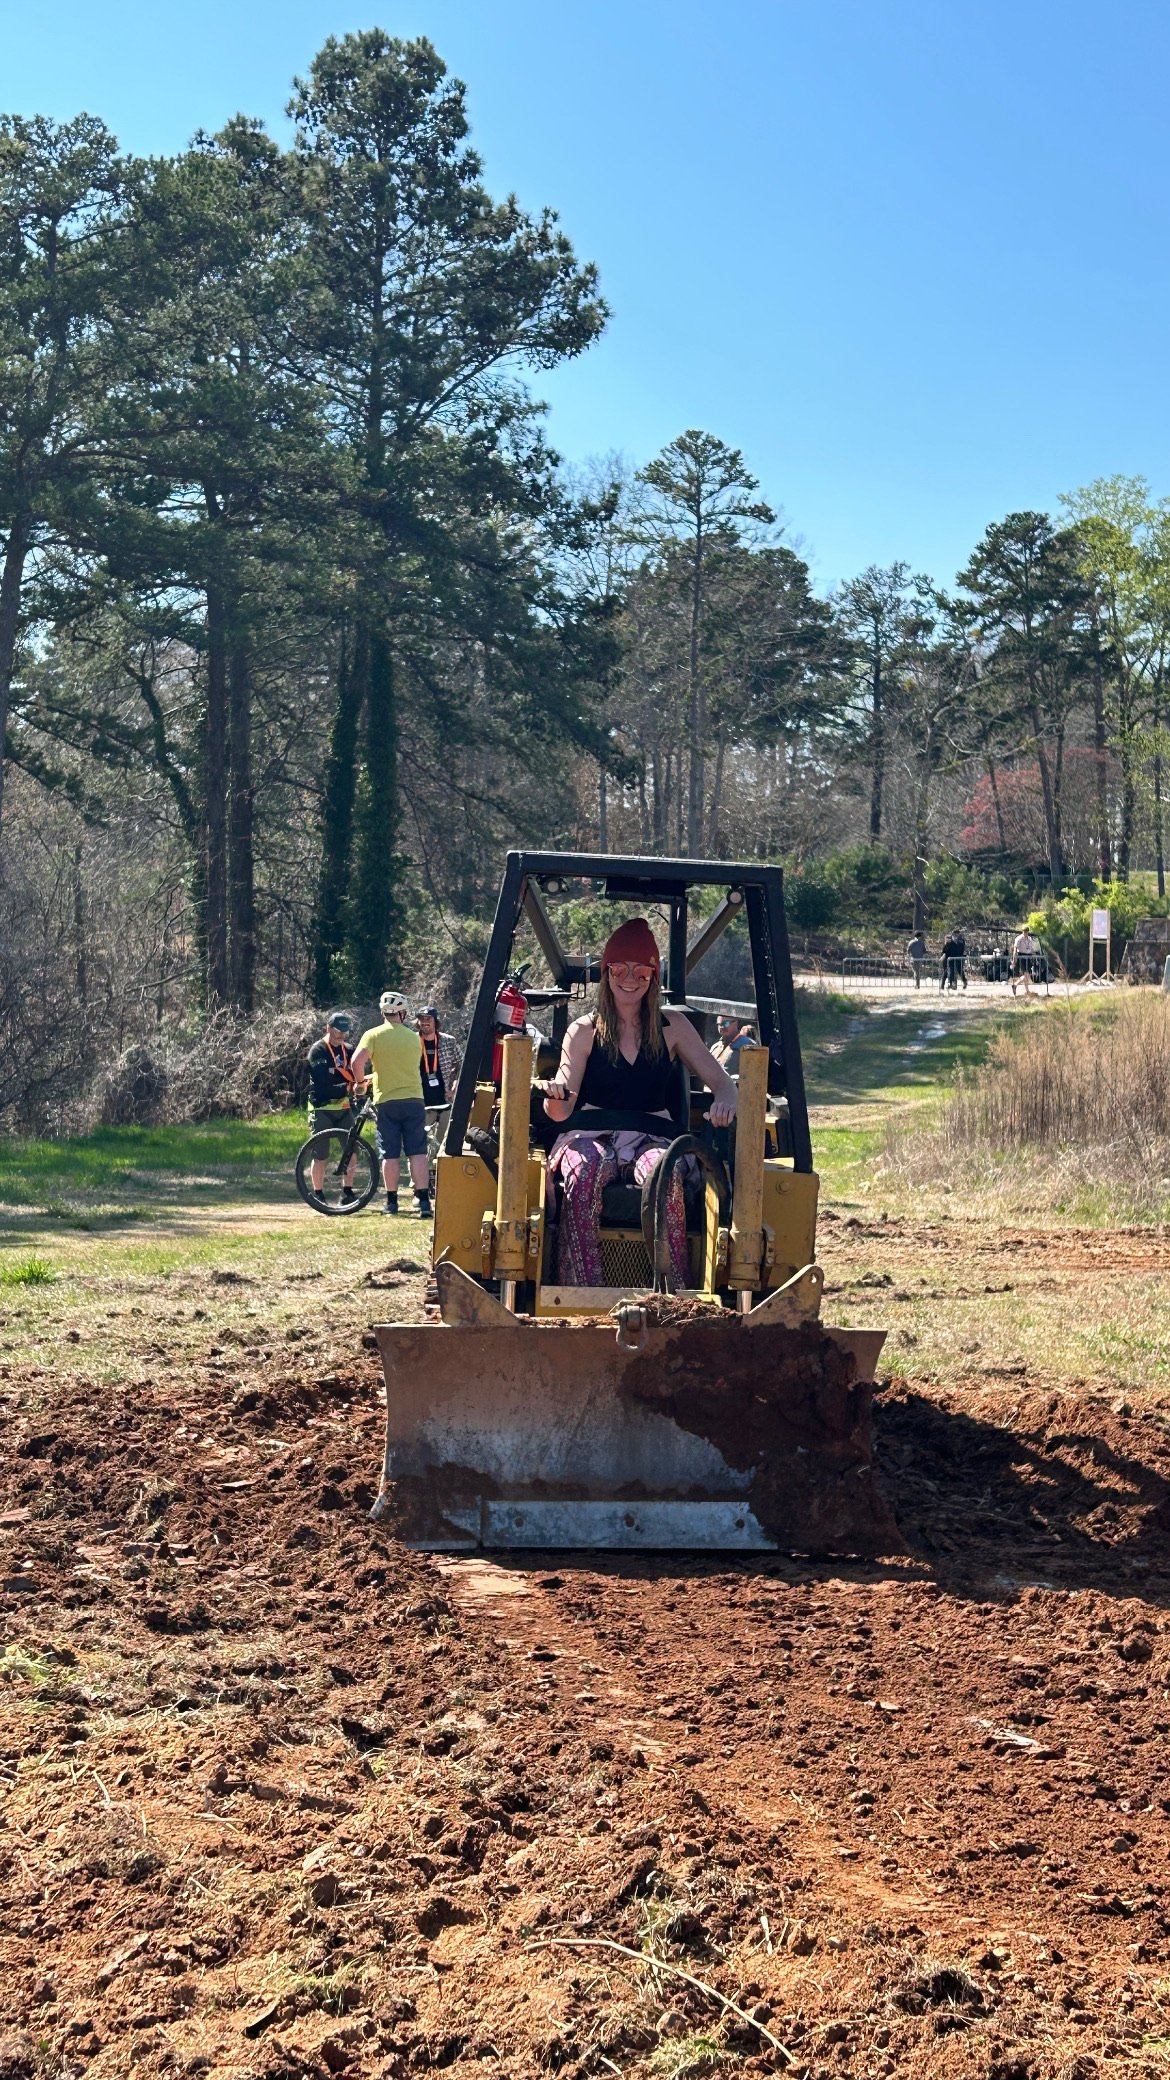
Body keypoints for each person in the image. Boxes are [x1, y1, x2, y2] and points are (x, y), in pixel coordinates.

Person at [537, 918, 738, 1291]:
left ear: (653, 976)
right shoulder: (584, 1030)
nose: (630, 979)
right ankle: (580, 1289)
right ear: (607, 973)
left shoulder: (673, 1027)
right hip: (591, 1134)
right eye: (620, 969)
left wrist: (725, 1102)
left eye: (641, 971)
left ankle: (673, 1292)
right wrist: (555, 1097)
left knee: (664, 1174)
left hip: (652, 1136)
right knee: (584, 1171)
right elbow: (562, 1107)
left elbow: (724, 1085)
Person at [351, 991, 431, 1220]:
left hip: (386, 1100)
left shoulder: (373, 1035)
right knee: (417, 1152)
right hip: (414, 1099)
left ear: (382, 1013)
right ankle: (424, 1201)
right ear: (403, 1013)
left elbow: (356, 1062)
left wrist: (360, 1083)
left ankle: (392, 1202)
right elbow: (405, 1067)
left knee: (390, 1153)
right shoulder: (415, 1038)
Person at [306, 1011, 358, 1203]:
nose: (341, 1035)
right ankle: (318, 1193)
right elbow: (323, 1082)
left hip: (344, 1108)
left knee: (351, 1151)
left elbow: (356, 1074)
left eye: (345, 1031)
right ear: (328, 1028)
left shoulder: (350, 1050)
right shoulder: (317, 1050)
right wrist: (346, 1082)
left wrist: (351, 1082)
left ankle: (347, 1191)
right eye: (338, 1031)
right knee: (321, 1154)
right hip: (321, 1108)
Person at [415, 1006, 462, 1108]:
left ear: (435, 1021)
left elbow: (462, 1064)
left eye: (428, 1019)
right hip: (417, 1096)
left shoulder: (449, 1041)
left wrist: (454, 1087)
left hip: (443, 1096)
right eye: (421, 1019)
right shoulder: (411, 1041)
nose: (424, 1022)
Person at [1010, 925, 1042, 998]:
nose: (1026, 933)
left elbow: (1032, 949)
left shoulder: (1030, 939)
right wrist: (1014, 959)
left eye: (1027, 931)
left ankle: (1025, 990)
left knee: (1026, 975)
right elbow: (1015, 949)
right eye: (1024, 931)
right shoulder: (1019, 939)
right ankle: (1016, 985)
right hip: (1022, 956)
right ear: (1022, 931)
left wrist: (1035, 959)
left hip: (1028, 957)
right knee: (1026, 975)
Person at [940, 927, 967, 991]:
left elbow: (962, 949)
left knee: (960, 971)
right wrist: (947, 944)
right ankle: (946, 984)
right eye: (955, 933)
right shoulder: (949, 941)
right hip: (950, 959)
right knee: (948, 971)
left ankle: (964, 982)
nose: (956, 935)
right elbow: (944, 950)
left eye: (957, 933)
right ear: (953, 934)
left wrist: (961, 955)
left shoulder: (961, 941)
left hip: (958, 958)